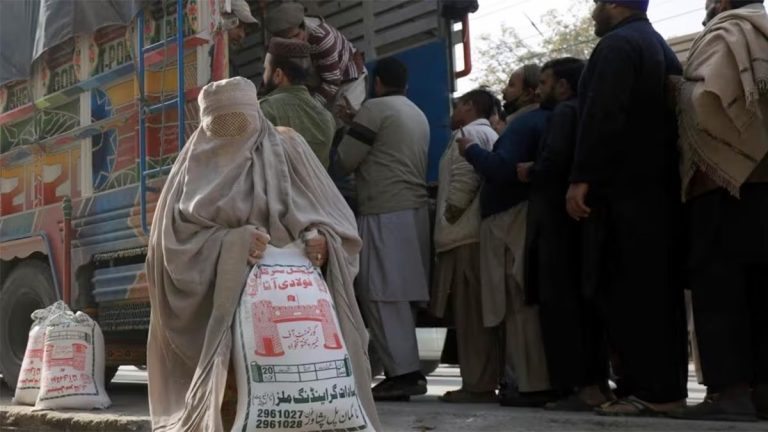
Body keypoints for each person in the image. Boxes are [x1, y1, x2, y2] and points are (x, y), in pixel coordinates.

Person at [146, 77, 380, 432]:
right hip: (224, 326)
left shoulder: (289, 148)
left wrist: (322, 242)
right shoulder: (190, 167)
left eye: (241, 121)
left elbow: (340, 225)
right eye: (220, 124)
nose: (232, 134)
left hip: (295, 324)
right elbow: (169, 253)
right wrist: (231, 243)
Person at [564, 0, 689, 417]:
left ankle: (651, 391)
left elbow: (603, 114)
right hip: (659, 191)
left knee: (627, 290)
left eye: (599, 3)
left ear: (615, 5)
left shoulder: (617, 46)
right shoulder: (657, 45)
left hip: (623, 192)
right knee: (656, 290)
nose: (594, 11)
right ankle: (660, 388)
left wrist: (582, 176)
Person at [668, 0, 768, 422]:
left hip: (725, 186)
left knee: (720, 292)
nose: (707, 8)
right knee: (762, 294)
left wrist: (674, 88)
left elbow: (707, 97)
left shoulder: (727, 31)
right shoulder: (761, 29)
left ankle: (729, 393)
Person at [516, 57, 612, 411]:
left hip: (556, 229)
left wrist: (530, 170)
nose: (538, 90)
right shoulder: (584, 111)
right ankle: (594, 385)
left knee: (561, 311)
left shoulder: (563, 115)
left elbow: (554, 162)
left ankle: (577, 388)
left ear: (564, 85)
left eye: (544, 82)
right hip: (576, 229)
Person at [457, 65, 553, 408]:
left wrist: (470, 151)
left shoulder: (525, 124)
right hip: (520, 219)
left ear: (530, 91)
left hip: (511, 223)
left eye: (513, 84)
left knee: (517, 303)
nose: (506, 90)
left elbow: (501, 171)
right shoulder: (531, 123)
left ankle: (528, 383)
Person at [336, 57, 431, 401]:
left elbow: (345, 160)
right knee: (400, 296)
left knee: (380, 292)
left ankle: (404, 374)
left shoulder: (374, 110)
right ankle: (401, 370)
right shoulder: (414, 112)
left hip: (384, 212)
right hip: (413, 211)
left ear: (377, 84)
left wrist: (347, 126)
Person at [431, 89, 501, 404]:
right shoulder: (488, 133)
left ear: (470, 106)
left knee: (470, 316)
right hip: (475, 236)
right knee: (478, 314)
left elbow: (464, 180)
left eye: (458, 104)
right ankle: (481, 380)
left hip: (463, 237)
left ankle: (477, 385)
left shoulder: (468, 133)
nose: (454, 110)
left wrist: (449, 213)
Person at [264, 2, 366, 123]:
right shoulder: (277, 45)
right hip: (319, 84)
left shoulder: (322, 37)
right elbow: (272, 78)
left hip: (347, 81)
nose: (294, 42)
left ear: (303, 27)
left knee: (340, 123)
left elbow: (332, 83)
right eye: (286, 40)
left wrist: (308, 110)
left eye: (296, 35)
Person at [260, 37, 336, 169]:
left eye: (266, 69)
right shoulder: (327, 118)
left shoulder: (265, 109)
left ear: (278, 74)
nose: (263, 76)